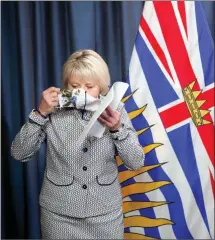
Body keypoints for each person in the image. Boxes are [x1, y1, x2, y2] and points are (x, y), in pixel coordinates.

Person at [11, 49, 145, 239]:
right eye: (75, 86)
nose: (81, 92)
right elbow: (19, 152)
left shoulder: (116, 110)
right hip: (58, 215)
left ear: (101, 87)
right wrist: (40, 114)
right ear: (65, 86)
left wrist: (117, 129)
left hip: (105, 215)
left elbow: (136, 161)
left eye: (89, 86)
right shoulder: (52, 110)